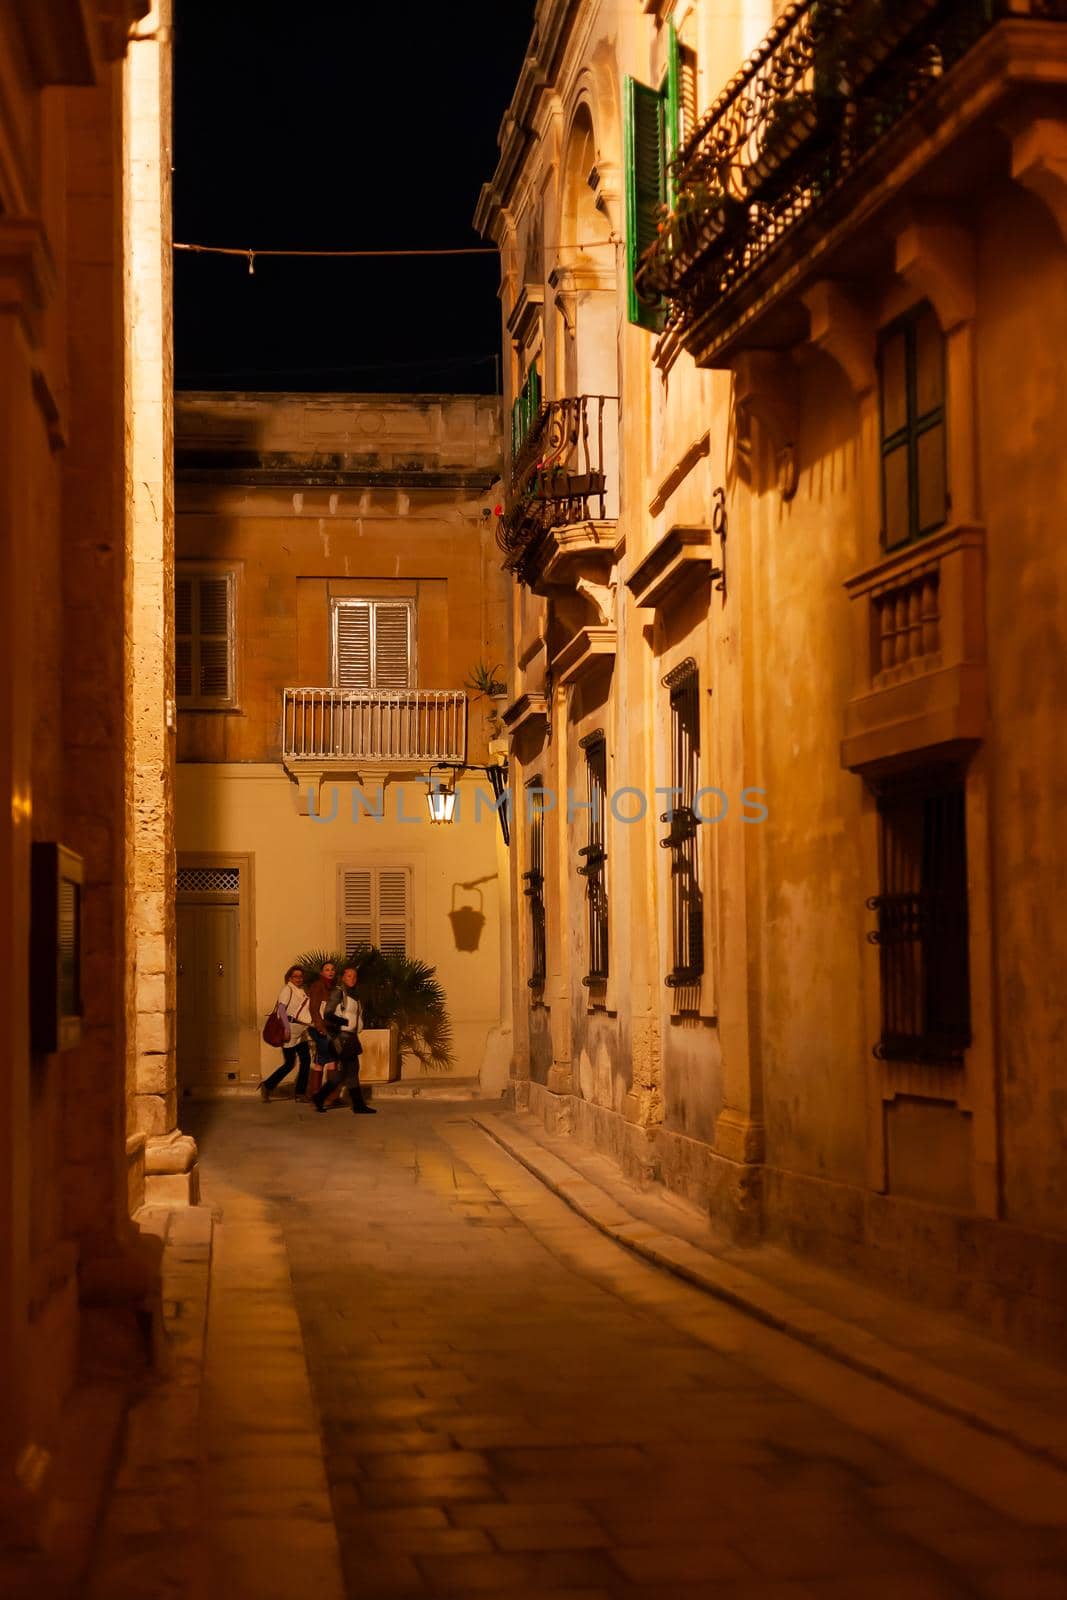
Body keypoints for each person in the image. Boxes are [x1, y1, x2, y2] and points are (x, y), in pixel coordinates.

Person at [312, 964, 376, 1115]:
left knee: (344, 1073)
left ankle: (319, 1098)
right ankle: (358, 1105)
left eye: (354, 976)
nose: (352, 979)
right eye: (349, 976)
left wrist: (356, 1025)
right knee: (352, 1069)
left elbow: (356, 1015)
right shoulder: (339, 992)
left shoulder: (354, 995)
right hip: (341, 1038)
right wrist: (344, 1023)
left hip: (351, 1037)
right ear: (343, 977)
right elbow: (328, 1014)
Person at [259, 965, 313, 1101]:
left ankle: (300, 1093)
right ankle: (267, 1085)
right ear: (290, 977)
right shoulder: (287, 989)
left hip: (301, 1032)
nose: (299, 979)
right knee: (289, 1063)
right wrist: (286, 1029)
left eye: (300, 976)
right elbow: (281, 1010)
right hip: (289, 1030)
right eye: (295, 976)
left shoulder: (301, 991)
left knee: (306, 1060)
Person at [305, 959, 338, 1099]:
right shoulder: (318, 986)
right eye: (327, 969)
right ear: (322, 972)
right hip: (319, 1028)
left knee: (325, 1059)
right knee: (328, 1059)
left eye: (332, 969)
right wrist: (321, 1028)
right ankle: (325, 1095)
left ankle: (319, 1093)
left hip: (329, 1028)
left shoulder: (334, 987)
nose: (330, 972)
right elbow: (314, 1009)